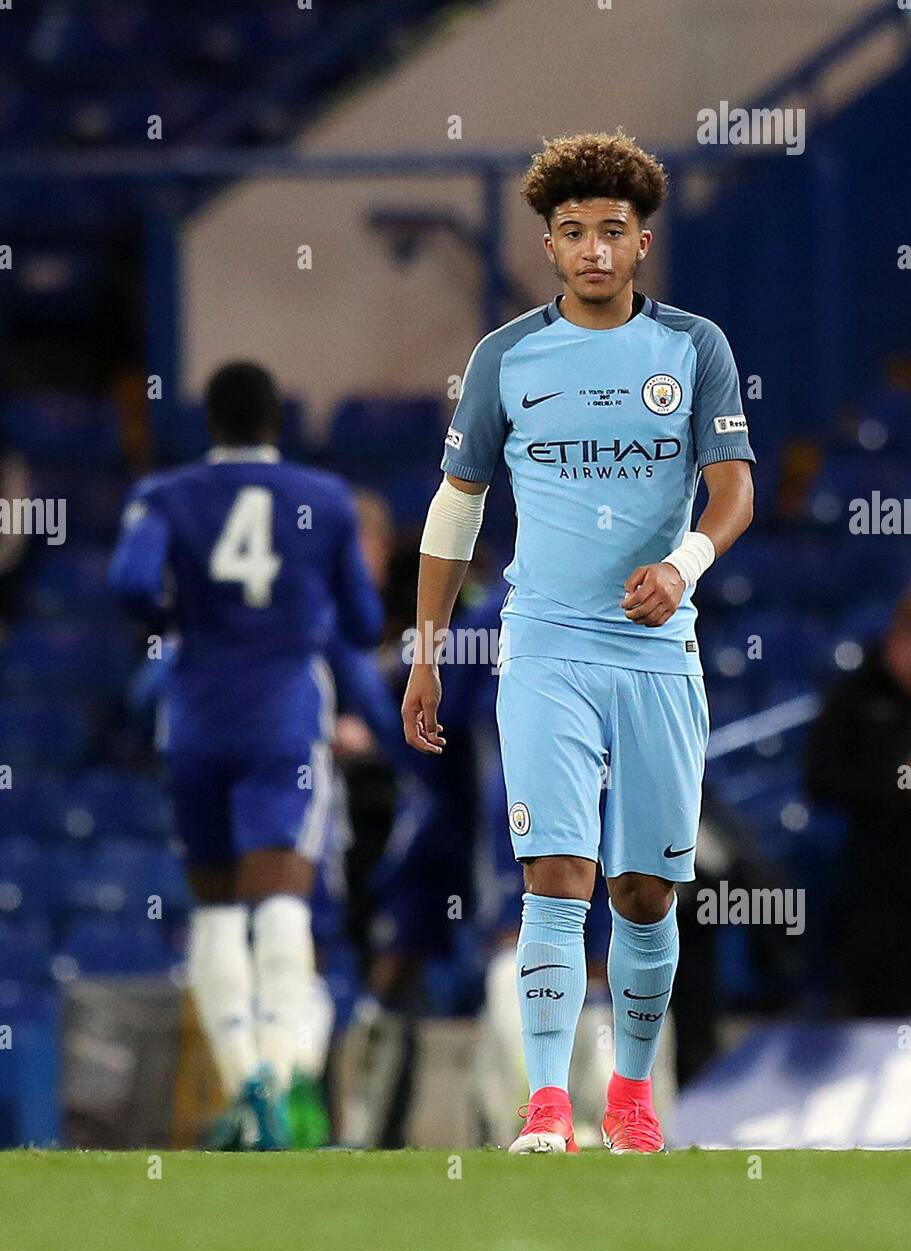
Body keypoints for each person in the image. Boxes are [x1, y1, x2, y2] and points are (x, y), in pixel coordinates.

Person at [402, 131, 754, 1154]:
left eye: (610, 231)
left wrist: (681, 565)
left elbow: (732, 489)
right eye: (571, 233)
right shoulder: (504, 358)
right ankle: (547, 1108)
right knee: (553, 872)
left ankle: (633, 1100)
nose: (592, 249)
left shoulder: (692, 348)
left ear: (640, 241)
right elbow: (453, 511)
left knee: (641, 890)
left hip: (654, 653)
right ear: (549, 245)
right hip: (544, 647)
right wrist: (427, 650)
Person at [109, 361, 382, 1149]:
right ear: (276, 421)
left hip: (195, 713)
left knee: (217, 907)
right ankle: (274, 1069)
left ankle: (244, 1083)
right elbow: (362, 623)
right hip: (281, 716)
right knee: (283, 901)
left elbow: (129, 587)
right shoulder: (325, 499)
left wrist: (182, 610)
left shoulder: (163, 496)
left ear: (210, 424)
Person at [805, 589, 911, 1016]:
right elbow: (821, 779)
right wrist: (895, 784)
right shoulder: (854, 697)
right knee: (880, 1010)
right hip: (877, 881)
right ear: (895, 643)